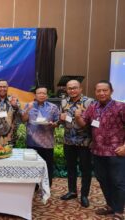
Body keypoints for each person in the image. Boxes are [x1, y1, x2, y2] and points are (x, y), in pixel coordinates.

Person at [75, 80, 125, 220]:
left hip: (116, 152)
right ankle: (110, 205)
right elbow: (84, 124)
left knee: (118, 182)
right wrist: (78, 116)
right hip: (97, 151)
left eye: (105, 90)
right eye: (99, 91)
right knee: (103, 180)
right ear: (95, 92)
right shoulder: (93, 107)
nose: (102, 93)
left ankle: (119, 211)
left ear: (111, 91)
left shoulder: (120, 107)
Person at [59, 80, 94, 207]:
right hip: (68, 141)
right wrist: (61, 119)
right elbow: (65, 121)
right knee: (71, 168)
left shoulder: (89, 102)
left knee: (85, 170)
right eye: (69, 88)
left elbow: (93, 123)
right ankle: (72, 191)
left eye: (75, 88)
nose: (72, 90)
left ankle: (84, 195)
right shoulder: (64, 102)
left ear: (80, 89)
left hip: (84, 142)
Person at [21, 85, 59, 186]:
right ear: (35, 95)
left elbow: (57, 122)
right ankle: (34, 186)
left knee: (47, 166)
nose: (41, 95)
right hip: (32, 142)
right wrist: (27, 110)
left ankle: (47, 186)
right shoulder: (29, 105)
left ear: (47, 95)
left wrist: (53, 124)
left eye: (44, 93)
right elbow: (23, 120)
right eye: (39, 93)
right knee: (32, 166)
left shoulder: (53, 107)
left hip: (47, 143)